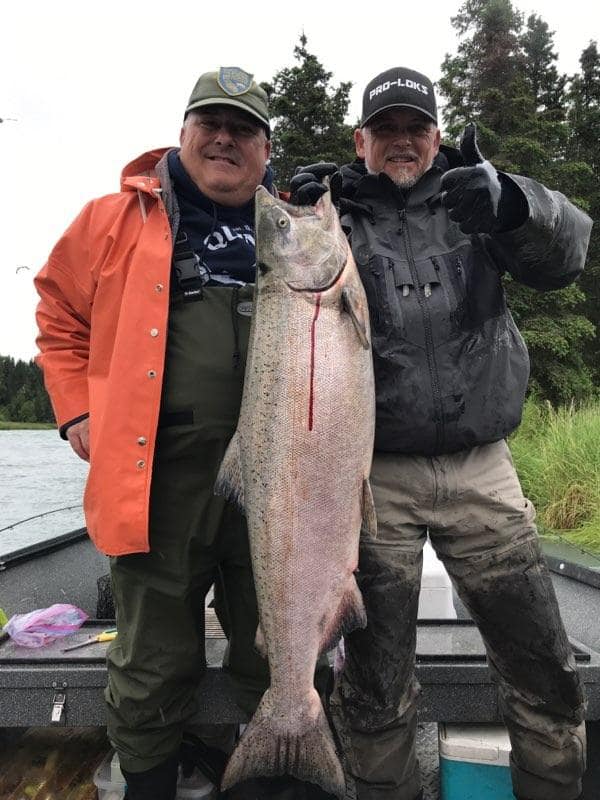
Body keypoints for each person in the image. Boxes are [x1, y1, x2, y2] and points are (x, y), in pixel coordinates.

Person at [291, 66, 591, 800]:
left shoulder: (476, 198)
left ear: (435, 137)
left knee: (543, 670)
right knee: (373, 684)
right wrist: (293, 211)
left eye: (415, 129)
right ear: (360, 140)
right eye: (385, 129)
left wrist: (514, 203)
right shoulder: (333, 220)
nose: (402, 142)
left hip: (482, 470)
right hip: (372, 479)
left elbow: (569, 255)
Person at [34, 67, 292, 800]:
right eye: (209, 122)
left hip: (278, 484)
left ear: (266, 149)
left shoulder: (298, 224)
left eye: (242, 129)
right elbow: (57, 316)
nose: (223, 139)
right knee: (149, 664)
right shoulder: (110, 220)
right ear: (181, 132)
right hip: (155, 482)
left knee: (277, 649)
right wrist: (76, 409)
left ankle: (277, 775)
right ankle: (150, 784)